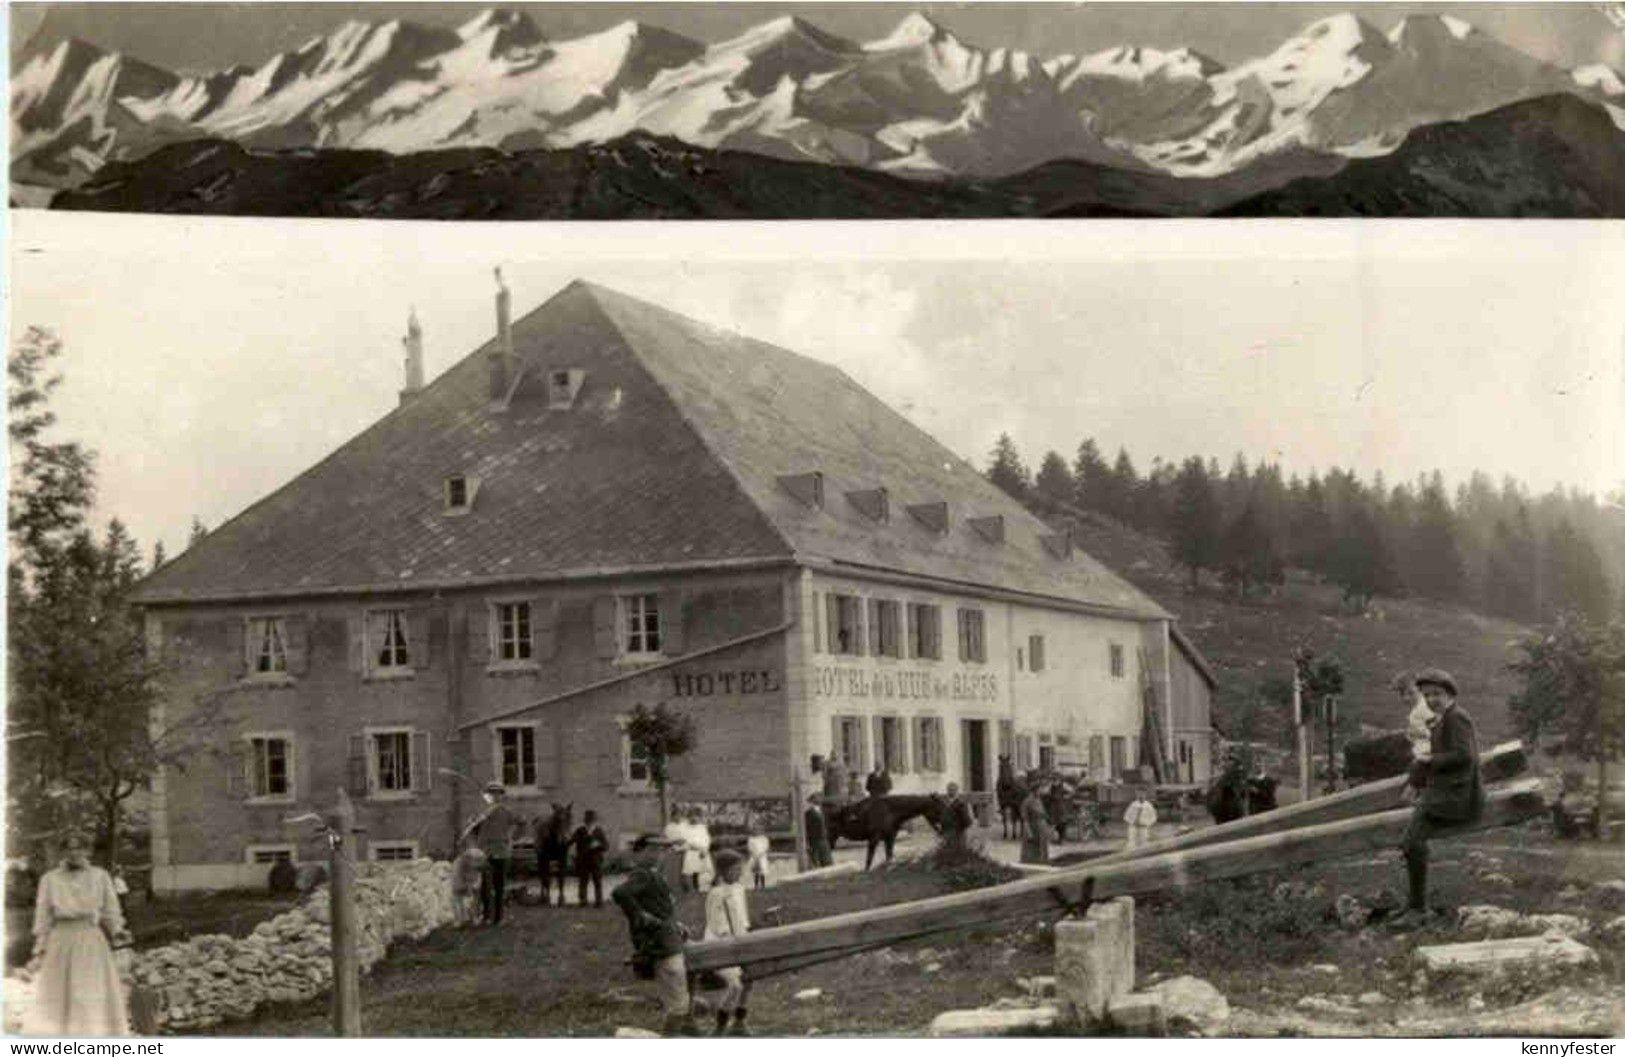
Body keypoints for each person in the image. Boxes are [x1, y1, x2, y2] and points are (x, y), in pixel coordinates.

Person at [1397, 668, 1484, 926]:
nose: (1432, 699)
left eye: (1437, 694)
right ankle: (1415, 905)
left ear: (1450, 694)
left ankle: (1417, 909)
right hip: (1447, 791)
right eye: (1427, 695)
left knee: (1412, 842)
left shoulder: (1457, 718)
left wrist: (1430, 760)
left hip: (1457, 795)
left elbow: (1465, 756)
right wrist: (1421, 771)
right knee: (1411, 842)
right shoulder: (1443, 719)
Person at [25, 832, 130, 1037]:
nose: (74, 853)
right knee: (59, 991)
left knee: (88, 989)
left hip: (90, 938)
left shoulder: (100, 876)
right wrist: (40, 947)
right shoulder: (49, 879)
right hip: (61, 939)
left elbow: (111, 910)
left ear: (87, 851)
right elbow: (43, 915)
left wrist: (117, 931)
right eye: (69, 848)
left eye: (79, 848)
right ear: (62, 852)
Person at [613, 835, 697, 1036]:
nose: (658, 855)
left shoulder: (653, 874)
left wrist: (674, 924)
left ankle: (681, 1033)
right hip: (662, 945)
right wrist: (639, 915)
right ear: (639, 852)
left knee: (680, 1000)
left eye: (662, 850)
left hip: (668, 939)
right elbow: (620, 893)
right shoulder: (642, 874)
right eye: (652, 850)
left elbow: (658, 907)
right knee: (678, 1004)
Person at [701, 849, 752, 1036]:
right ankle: (720, 1025)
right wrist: (730, 938)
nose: (740, 873)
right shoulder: (716, 893)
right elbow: (717, 924)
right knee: (735, 985)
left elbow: (742, 919)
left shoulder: (739, 889)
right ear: (723, 871)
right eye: (736, 869)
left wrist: (745, 936)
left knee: (749, 979)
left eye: (741, 869)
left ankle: (739, 1022)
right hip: (719, 945)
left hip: (739, 941)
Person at [463, 782, 521, 925]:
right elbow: (472, 830)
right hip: (485, 853)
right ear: (487, 796)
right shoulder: (482, 813)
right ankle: (486, 916)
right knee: (485, 885)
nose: (495, 797)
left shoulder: (506, 812)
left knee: (499, 885)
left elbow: (520, 823)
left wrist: (511, 838)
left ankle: (498, 917)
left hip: (501, 852)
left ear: (501, 796)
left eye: (498, 794)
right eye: (492, 794)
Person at [1403, 680, 1436, 803]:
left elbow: (1434, 730)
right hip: (1422, 749)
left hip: (1430, 750)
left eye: (1411, 694)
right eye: (1404, 695)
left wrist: (1422, 734)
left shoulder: (1424, 708)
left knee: (1418, 766)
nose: (1407, 698)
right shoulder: (1417, 710)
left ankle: (1415, 795)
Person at [570, 810, 609, 908]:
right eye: (588, 820)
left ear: (594, 821)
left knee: (597, 881)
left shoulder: (599, 831)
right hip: (583, 860)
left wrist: (598, 844)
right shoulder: (580, 830)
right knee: (583, 881)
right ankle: (583, 901)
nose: (589, 822)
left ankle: (599, 902)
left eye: (591, 820)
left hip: (596, 860)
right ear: (585, 820)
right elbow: (571, 841)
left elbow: (606, 846)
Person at [450, 841, 487, 926]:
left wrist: (470, 884)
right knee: (458, 898)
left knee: (474, 898)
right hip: (461, 880)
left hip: (473, 879)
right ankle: (461, 918)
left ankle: (474, 917)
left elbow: (478, 870)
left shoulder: (475, 856)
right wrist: (465, 883)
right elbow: (459, 873)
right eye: (459, 848)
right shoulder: (458, 861)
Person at [1020, 781, 1053, 864]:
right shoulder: (1027, 801)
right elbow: (1025, 819)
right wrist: (1029, 832)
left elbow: (1044, 814)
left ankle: (1043, 860)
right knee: (1032, 848)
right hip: (1033, 827)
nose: (1041, 791)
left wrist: (1048, 827)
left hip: (1042, 826)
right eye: (1039, 789)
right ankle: (1032, 862)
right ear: (1034, 790)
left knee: (1043, 845)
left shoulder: (1039, 800)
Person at [682, 809, 713, 892]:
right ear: (688, 817)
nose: (694, 818)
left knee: (702, 870)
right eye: (691, 816)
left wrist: (704, 849)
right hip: (691, 851)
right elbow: (686, 840)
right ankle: (688, 887)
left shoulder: (702, 828)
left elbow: (706, 839)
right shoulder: (686, 828)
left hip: (702, 851)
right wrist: (693, 846)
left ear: (699, 817)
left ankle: (700, 887)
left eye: (696, 816)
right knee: (689, 870)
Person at [940, 782, 975, 852]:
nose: (951, 792)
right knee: (949, 849)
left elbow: (967, 818)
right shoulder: (944, 803)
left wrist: (966, 825)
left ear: (956, 791)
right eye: (950, 790)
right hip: (949, 831)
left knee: (959, 848)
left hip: (958, 831)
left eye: (953, 790)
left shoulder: (961, 803)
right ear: (947, 791)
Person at [804, 793, 833, 868]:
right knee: (816, 862)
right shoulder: (808, 813)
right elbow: (807, 828)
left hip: (823, 839)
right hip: (815, 840)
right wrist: (807, 842)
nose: (819, 801)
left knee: (827, 861)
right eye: (816, 799)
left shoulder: (821, 811)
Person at [745, 820, 772, 890]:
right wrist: (753, 854)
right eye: (755, 830)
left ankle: (763, 885)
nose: (757, 831)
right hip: (754, 856)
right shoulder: (751, 839)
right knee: (756, 872)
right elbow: (749, 848)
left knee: (762, 871)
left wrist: (761, 854)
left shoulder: (764, 839)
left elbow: (766, 847)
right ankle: (756, 885)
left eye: (759, 830)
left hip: (762, 856)